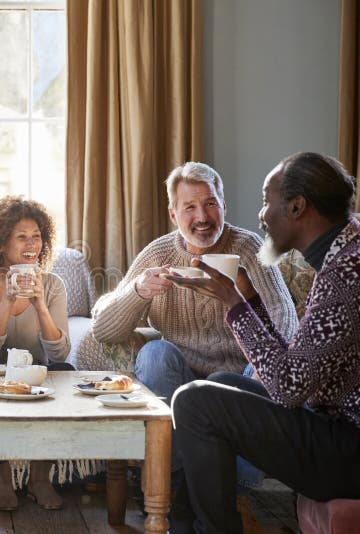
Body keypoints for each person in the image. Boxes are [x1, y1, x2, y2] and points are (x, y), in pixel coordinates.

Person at [166, 151, 360, 533]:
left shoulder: (353, 271)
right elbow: (298, 365)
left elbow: (288, 387)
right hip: (343, 429)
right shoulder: (345, 260)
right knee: (220, 383)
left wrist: (234, 304)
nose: (262, 214)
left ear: (297, 207)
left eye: (268, 201)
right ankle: (182, 526)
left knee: (194, 400)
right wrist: (249, 300)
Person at [90, 161, 298, 487]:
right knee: (155, 354)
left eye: (210, 204)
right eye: (190, 207)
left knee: (249, 379)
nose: (202, 217)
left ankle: (229, 492)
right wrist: (138, 291)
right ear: (174, 214)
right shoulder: (158, 253)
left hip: (237, 379)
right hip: (182, 380)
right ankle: (173, 485)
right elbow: (102, 328)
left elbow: (285, 317)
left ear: (224, 206)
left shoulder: (249, 249)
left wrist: (264, 365)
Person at [0, 195, 73, 511]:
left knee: (67, 373)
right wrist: (7, 302)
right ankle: (1, 476)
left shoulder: (53, 285)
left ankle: (39, 477)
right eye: (21, 236)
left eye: (36, 236)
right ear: (0, 243)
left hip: (34, 369)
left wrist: (39, 304)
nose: (31, 244)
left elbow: (60, 352)